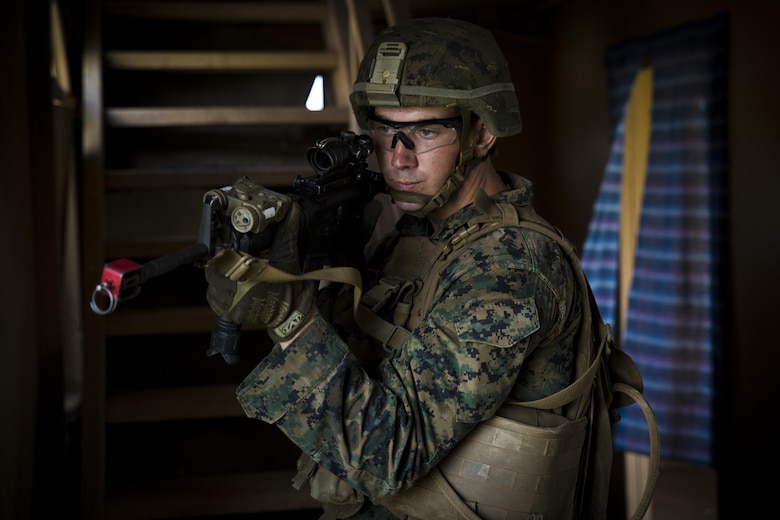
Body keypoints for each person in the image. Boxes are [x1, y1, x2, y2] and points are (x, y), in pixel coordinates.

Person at [204, 17, 586, 520]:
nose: (398, 160)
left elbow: (389, 455)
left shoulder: (510, 266)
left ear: (483, 133)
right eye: (385, 130)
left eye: (426, 130)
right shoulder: (417, 233)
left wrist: (290, 319)